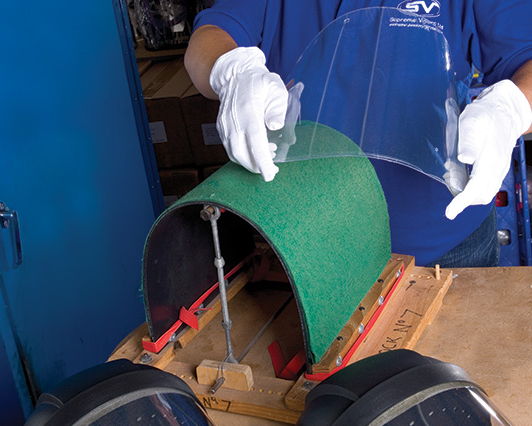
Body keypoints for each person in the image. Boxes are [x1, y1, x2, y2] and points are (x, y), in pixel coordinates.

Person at [184, 1, 532, 268]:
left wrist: (512, 108)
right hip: (303, 241)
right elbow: (211, 35)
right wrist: (231, 71)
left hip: (447, 242)